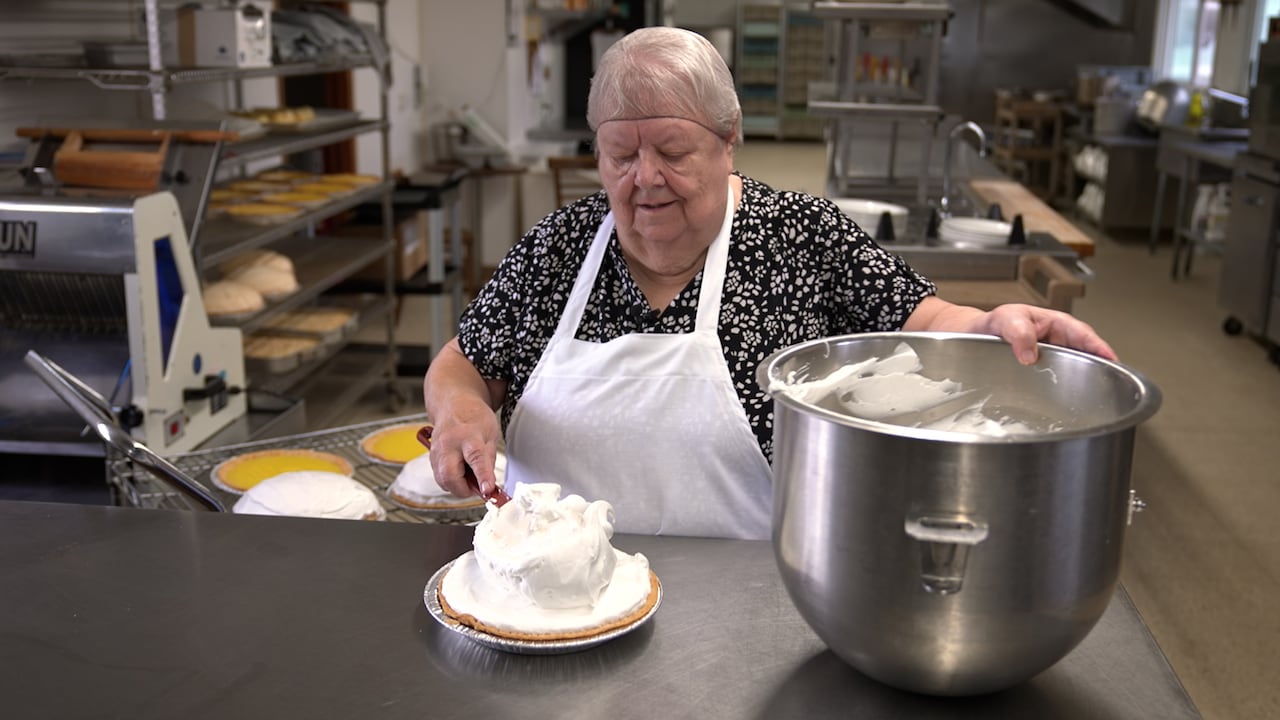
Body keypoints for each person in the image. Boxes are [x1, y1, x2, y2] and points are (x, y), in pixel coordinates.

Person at [423, 26, 1116, 540]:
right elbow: (464, 363)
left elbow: (924, 320)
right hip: (548, 593)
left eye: (672, 151)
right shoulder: (558, 250)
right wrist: (460, 410)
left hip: (749, 607)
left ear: (730, 141)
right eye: (619, 154)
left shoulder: (801, 238)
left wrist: (990, 324)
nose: (644, 178)